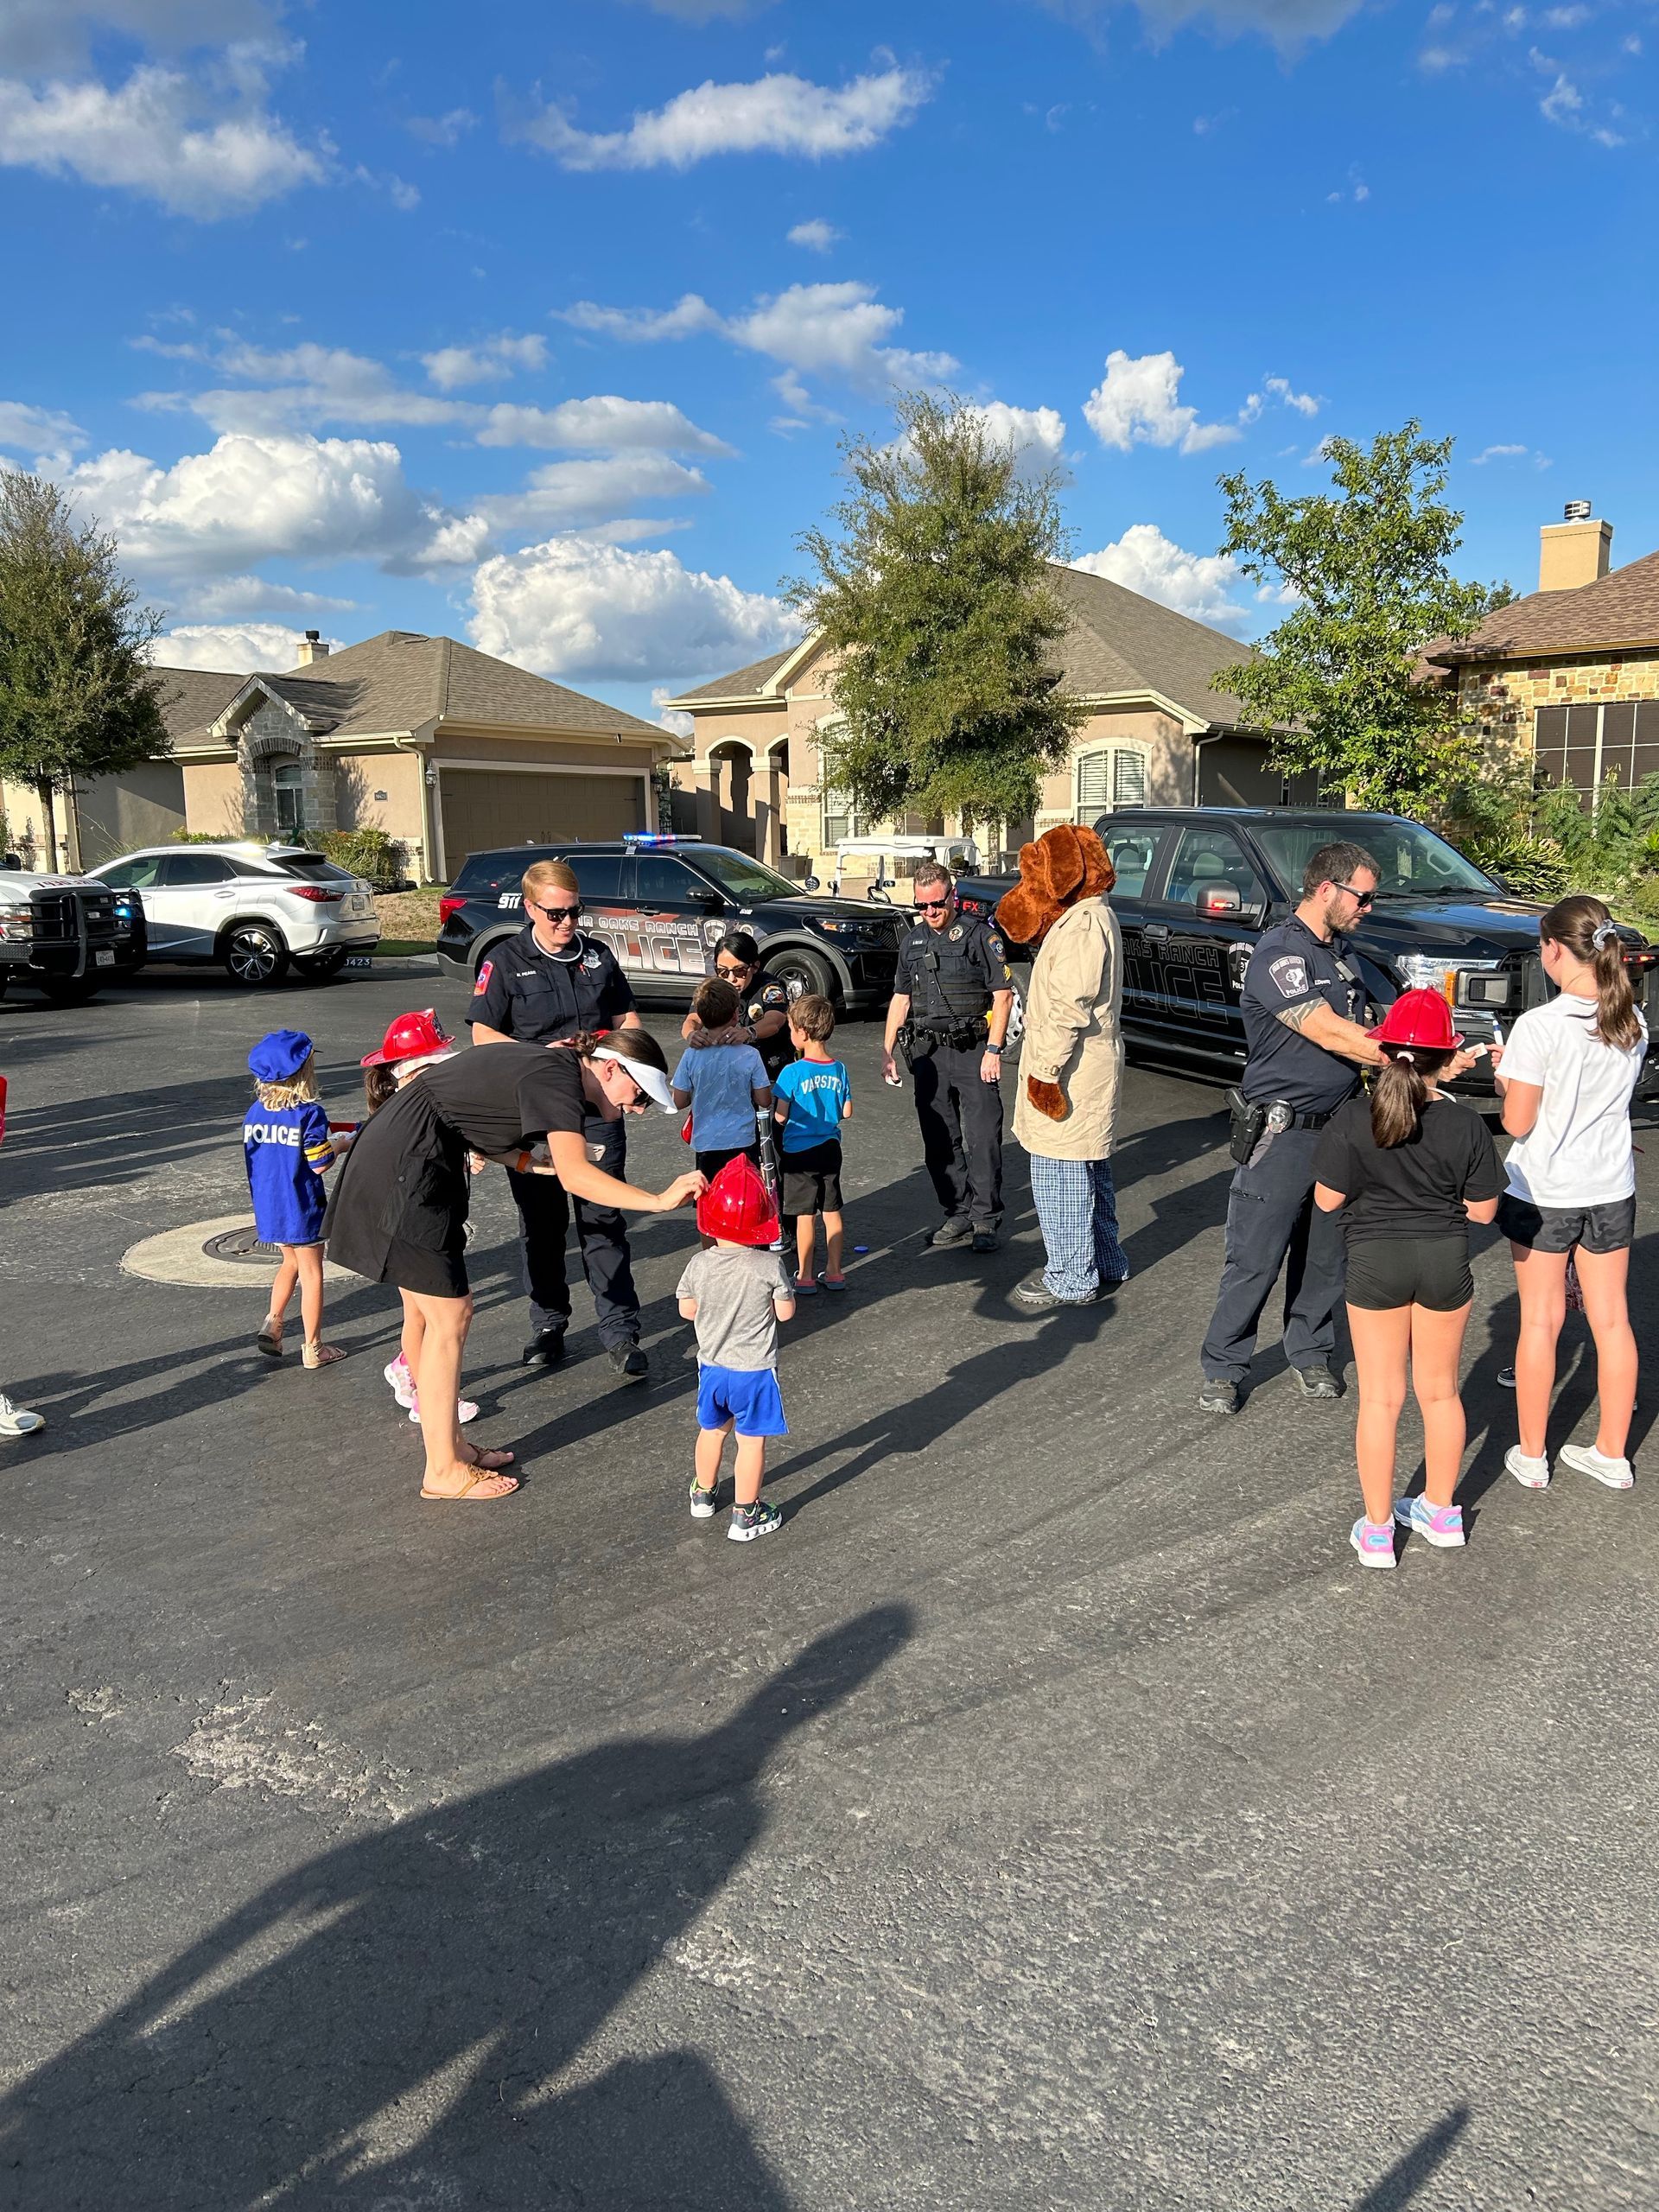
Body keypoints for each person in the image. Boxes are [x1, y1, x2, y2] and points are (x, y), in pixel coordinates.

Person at [325, 1030, 702, 1503]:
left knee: (435, 1316)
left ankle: (453, 1448)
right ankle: (441, 1470)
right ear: (610, 1068)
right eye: (641, 1094)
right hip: (406, 1172)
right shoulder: (560, 1081)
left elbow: (473, 1117)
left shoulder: (554, 1068)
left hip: (407, 1161)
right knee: (450, 1316)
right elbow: (577, 1175)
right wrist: (659, 1200)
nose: (640, 1108)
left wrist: (529, 1161)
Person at [1198, 842, 1397, 1414]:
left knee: (1326, 1254)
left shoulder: (1347, 955)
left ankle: (1310, 1351)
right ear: (1327, 889)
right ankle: (1224, 1366)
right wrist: (1406, 1057)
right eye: (1364, 897)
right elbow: (1331, 1032)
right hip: (1280, 1135)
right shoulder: (1280, 955)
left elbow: (1380, 1019)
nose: (1369, 908)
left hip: (1339, 1129)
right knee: (1255, 1257)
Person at [1312, 991, 1504, 1569]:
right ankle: (1442, 1513)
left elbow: (1327, 1201)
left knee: (1381, 1398)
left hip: (1375, 1262)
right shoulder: (1466, 1124)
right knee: (1441, 1391)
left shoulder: (1353, 1117)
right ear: (1447, 1056)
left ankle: (1377, 1532)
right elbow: (1484, 1213)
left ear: (1384, 1049)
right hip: (1444, 1260)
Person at [468, 857, 650, 1382]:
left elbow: (628, 1021)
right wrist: (541, 1055)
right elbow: (484, 1036)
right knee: (542, 1226)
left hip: (595, 1108)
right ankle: (549, 1324)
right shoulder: (503, 961)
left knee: (602, 1217)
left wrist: (619, 1057)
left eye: (575, 912)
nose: (568, 923)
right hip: (534, 1114)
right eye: (556, 914)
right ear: (530, 908)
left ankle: (620, 1331)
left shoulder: (598, 958)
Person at [1495, 893, 1645, 1492]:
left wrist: (1509, 1075)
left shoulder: (1539, 1026)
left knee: (1541, 1320)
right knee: (1612, 1321)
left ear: (1555, 949)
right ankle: (1612, 1452)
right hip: (1611, 1184)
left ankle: (1532, 1455)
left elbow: (1518, 1122)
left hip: (1546, 1188)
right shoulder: (1629, 1018)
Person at [995, 824, 1128, 1312]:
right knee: (1090, 1171)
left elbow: (1068, 1007)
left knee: (1060, 1176)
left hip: (1071, 1070)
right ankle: (1105, 1261)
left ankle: (1072, 1276)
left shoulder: (1084, 925)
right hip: (1085, 1067)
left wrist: (1045, 1073)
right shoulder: (1091, 917)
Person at [357, 1010, 481, 1434]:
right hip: (408, 1221)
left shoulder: (419, 1107)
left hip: (413, 1218)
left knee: (420, 1314)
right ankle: (425, 1397)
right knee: (429, 1315)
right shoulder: (412, 1114)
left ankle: (408, 1373)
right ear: (412, 1075)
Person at [881, 861, 1015, 1251]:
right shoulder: (912, 942)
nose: (930, 913)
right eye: (921, 906)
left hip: (974, 1050)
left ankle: (986, 1219)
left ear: (951, 896)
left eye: (937, 904)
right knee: (939, 1140)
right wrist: (886, 1051)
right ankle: (957, 1212)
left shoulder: (980, 936)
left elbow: (1002, 995)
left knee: (983, 1138)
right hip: (929, 1052)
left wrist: (994, 1049)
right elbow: (901, 998)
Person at [677, 1154, 796, 1541]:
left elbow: (687, 1310)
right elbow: (785, 1314)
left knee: (712, 1432)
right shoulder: (768, 1267)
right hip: (755, 1372)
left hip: (712, 1367)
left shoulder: (698, 1263)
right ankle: (747, 1513)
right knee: (750, 1442)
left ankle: (703, 1492)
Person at [243, 1028, 344, 1370]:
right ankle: (313, 1347)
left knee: (289, 1263)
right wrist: (343, 1144)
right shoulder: (309, 1114)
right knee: (313, 1272)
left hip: (270, 1206)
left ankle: (273, 1322)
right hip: (302, 1205)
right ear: (304, 1073)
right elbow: (320, 1163)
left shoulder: (255, 1113)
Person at [772, 993, 853, 1293]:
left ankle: (804, 1276)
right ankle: (834, 1272)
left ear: (802, 1033)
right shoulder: (839, 1068)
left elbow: (780, 1118)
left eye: (791, 1029)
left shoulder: (791, 1072)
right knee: (832, 1212)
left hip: (798, 1152)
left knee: (805, 1216)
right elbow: (847, 1111)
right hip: (830, 1148)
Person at [671, 976, 772, 1187]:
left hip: (707, 1141)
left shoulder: (691, 1055)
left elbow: (679, 1101)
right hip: (743, 1138)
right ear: (736, 1015)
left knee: (710, 1197)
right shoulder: (750, 1055)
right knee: (743, 1195)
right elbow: (764, 1099)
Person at [680, 930, 796, 1084]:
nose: (731, 978)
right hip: (732, 1071)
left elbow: (775, 1020)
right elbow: (693, 1019)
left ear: (755, 966)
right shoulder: (714, 988)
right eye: (722, 971)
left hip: (770, 1070)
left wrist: (749, 1032)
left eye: (739, 971)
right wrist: (691, 1034)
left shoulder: (769, 987)